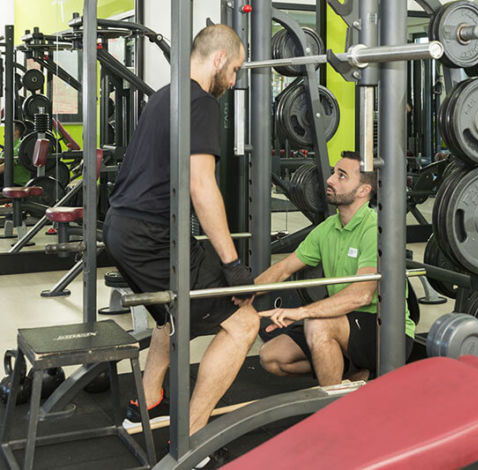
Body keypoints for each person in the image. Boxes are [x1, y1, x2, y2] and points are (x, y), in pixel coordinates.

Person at [102, 24, 259, 446]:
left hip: (120, 227)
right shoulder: (201, 102)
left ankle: (147, 399)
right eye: (236, 70)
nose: (235, 80)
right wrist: (232, 265)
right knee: (244, 322)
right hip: (152, 235)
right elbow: (202, 185)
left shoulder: (163, 96)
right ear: (220, 59)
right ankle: (190, 438)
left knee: (170, 314)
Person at [255, 152, 416, 385]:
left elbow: (361, 295)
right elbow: (283, 268)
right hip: (343, 321)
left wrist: (302, 312)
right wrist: (242, 296)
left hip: (385, 329)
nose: (330, 180)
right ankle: (348, 375)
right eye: (333, 172)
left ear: (363, 191)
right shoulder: (328, 228)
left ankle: (336, 411)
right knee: (272, 357)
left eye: (341, 176)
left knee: (317, 324)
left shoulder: (374, 229)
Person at [0, 120, 31, 187]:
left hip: (16, 184)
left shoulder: (19, 147)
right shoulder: (9, 147)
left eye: (7, 129)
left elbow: (7, 165)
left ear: (16, 132)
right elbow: (1, 160)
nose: (4, 134)